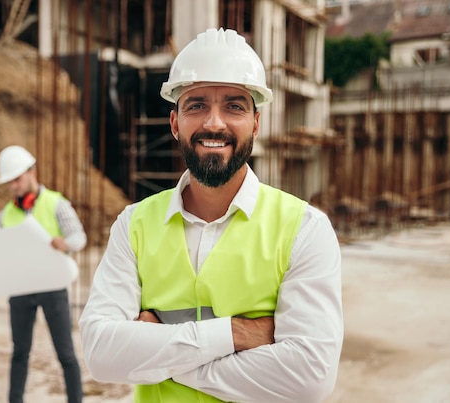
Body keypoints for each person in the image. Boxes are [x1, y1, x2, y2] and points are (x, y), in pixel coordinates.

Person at [79, 28, 343, 402]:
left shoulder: (304, 229)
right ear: (175, 123)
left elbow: (309, 378)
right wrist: (235, 334)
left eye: (234, 106)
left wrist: (159, 355)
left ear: (255, 123)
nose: (214, 123)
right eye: (196, 105)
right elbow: (101, 355)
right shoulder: (133, 224)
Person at [0, 145, 86, 403]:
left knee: (66, 355)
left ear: (32, 172)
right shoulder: (5, 215)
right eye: (9, 182)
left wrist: (65, 243)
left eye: (17, 179)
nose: (13, 186)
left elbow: (79, 236)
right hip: (21, 289)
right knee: (19, 353)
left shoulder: (56, 203)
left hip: (53, 287)